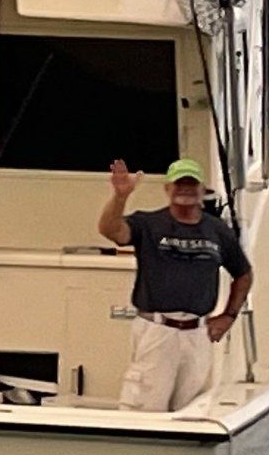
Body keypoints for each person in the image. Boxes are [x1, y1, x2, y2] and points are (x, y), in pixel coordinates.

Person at [96, 157, 253, 413]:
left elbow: (243, 274)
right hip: (157, 330)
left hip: (198, 334)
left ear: (203, 189)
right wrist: (120, 197)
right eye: (180, 184)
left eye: (192, 184)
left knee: (192, 411)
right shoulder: (147, 223)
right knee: (145, 409)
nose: (185, 190)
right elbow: (110, 230)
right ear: (168, 188)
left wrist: (229, 316)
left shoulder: (217, 230)